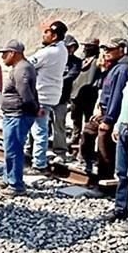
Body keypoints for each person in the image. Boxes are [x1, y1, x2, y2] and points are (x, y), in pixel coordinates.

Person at [23, 20, 69, 174]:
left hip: (41, 96)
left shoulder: (48, 52)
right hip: (50, 95)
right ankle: (33, 157)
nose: (44, 35)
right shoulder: (62, 50)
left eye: (47, 32)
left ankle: (39, 164)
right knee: (37, 129)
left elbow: (26, 65)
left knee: (39, 131)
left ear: (54, 36)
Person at [84, 38, 128, 187]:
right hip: (103, 110)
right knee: (88, 132)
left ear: (122, 49)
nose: (106, 52)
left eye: (110, 49)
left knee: (105, 143)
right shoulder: (114, 67)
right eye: (105, 49)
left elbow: (117, 96)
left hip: (110, 114)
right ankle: (89, 164)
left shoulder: (122, 69)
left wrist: (108, 120)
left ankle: (106, 177)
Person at [0, 39, 39, 196]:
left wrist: (33, 110)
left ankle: (16, 185)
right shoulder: (19, 68)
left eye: (5, 54)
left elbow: (26, 96)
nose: (3, 58)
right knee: (10, 148)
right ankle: (8, 178)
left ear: (13, 53)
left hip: (18, 115)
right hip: (14, 114)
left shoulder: (22, 70)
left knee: (13, 149)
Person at [52, 34, 82, 163]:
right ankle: (31, 150)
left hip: (61, 99)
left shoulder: (76, 62)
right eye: (68, 47)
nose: (70, 50)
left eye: (73, 48)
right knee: (38, 125)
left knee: (59, 126)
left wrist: (54, 80)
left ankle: (60, 152)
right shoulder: (53, 58)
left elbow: (71, 76)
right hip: (46, 97)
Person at [70, 39, 103, 155]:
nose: (85, 49)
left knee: (88, 122)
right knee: (76, 121)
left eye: (88, 47)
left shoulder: (98, 61)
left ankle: (84, 147)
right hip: (76, 94)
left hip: (89, 96)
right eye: (85, 46)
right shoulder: (81, 60)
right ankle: (74, 144)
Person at [110, 78, 128, 223]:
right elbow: (125, 103)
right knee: (121, 172)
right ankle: (120, 209)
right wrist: (117, 125)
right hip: (124, 126)